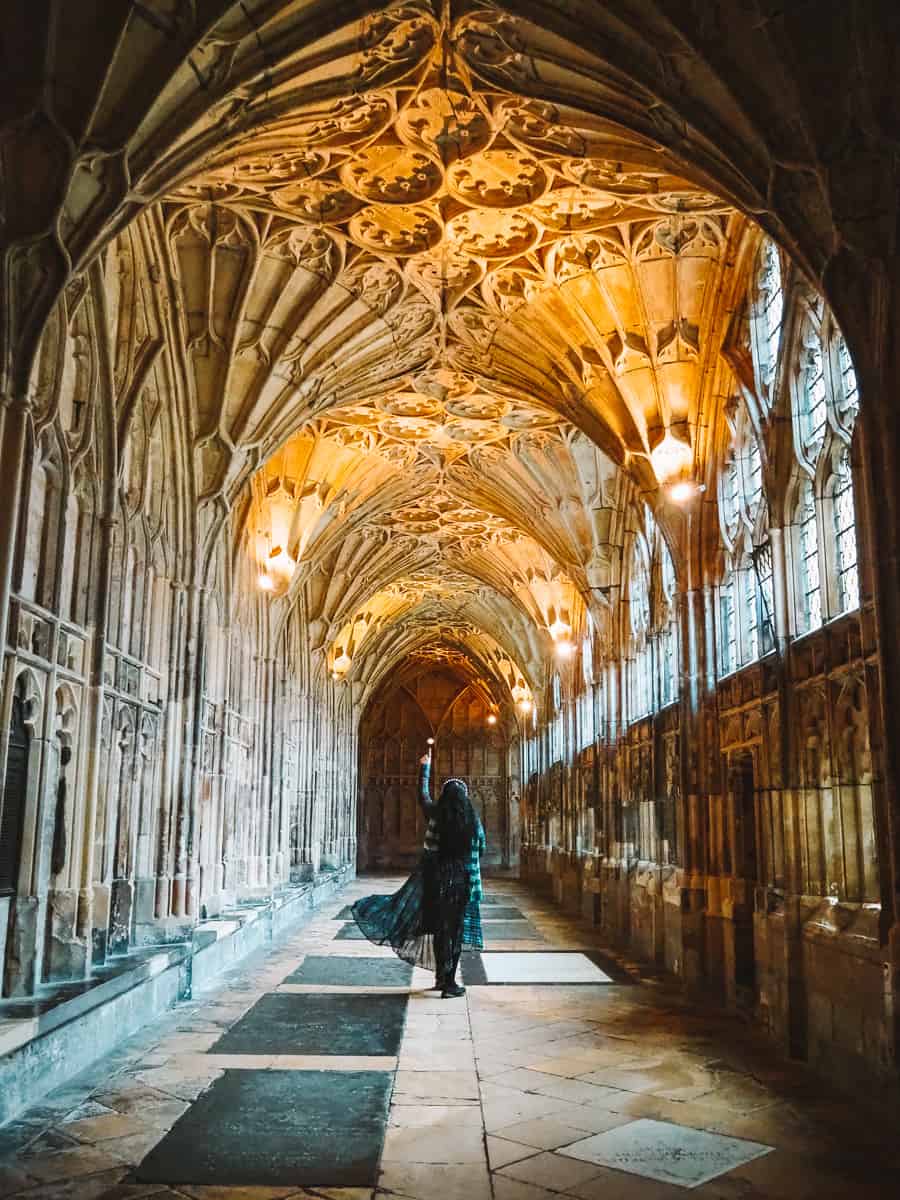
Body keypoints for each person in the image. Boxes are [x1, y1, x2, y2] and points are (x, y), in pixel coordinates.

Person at [352, 744, 484, 998]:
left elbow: (422, 796)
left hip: (437, 882)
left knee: (438, 930)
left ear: (445, 797)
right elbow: (482, 846)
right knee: (454, 932)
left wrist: (425, 768)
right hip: (461, 883)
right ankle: (449, 982)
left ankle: (439, 978)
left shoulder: (436, 815)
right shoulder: (472, 821)